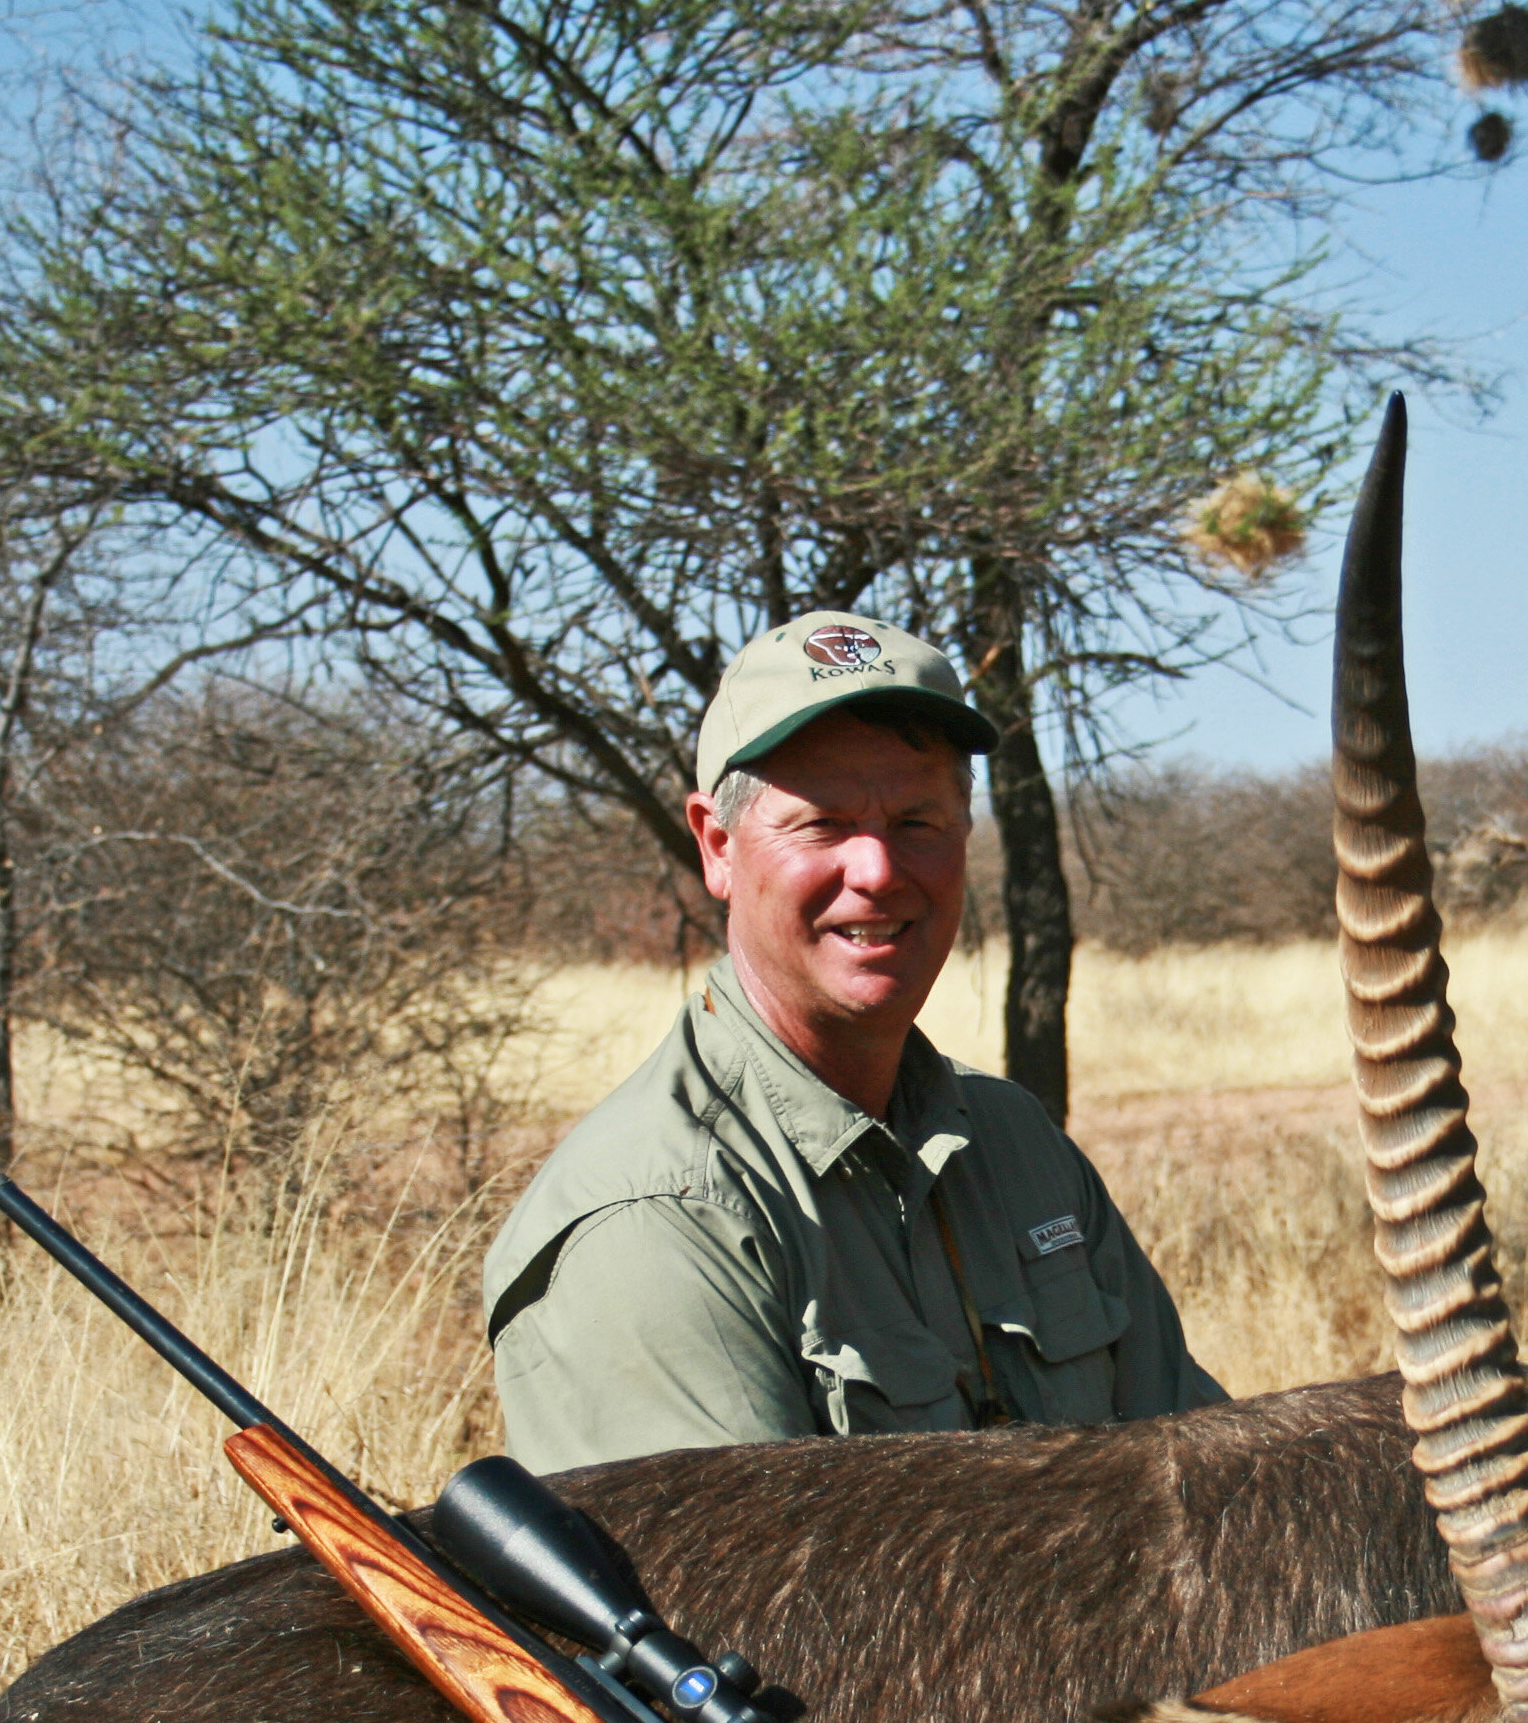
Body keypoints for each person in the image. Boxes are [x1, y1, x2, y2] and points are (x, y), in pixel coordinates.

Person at [482, 611, 1223, 1471]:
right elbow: (748, 1598)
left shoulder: (1017, 1144)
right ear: (717, 847)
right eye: (822, 824)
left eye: (918, 821)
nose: (877, 871)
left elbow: (1203, 1490)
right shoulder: (660, 1217)